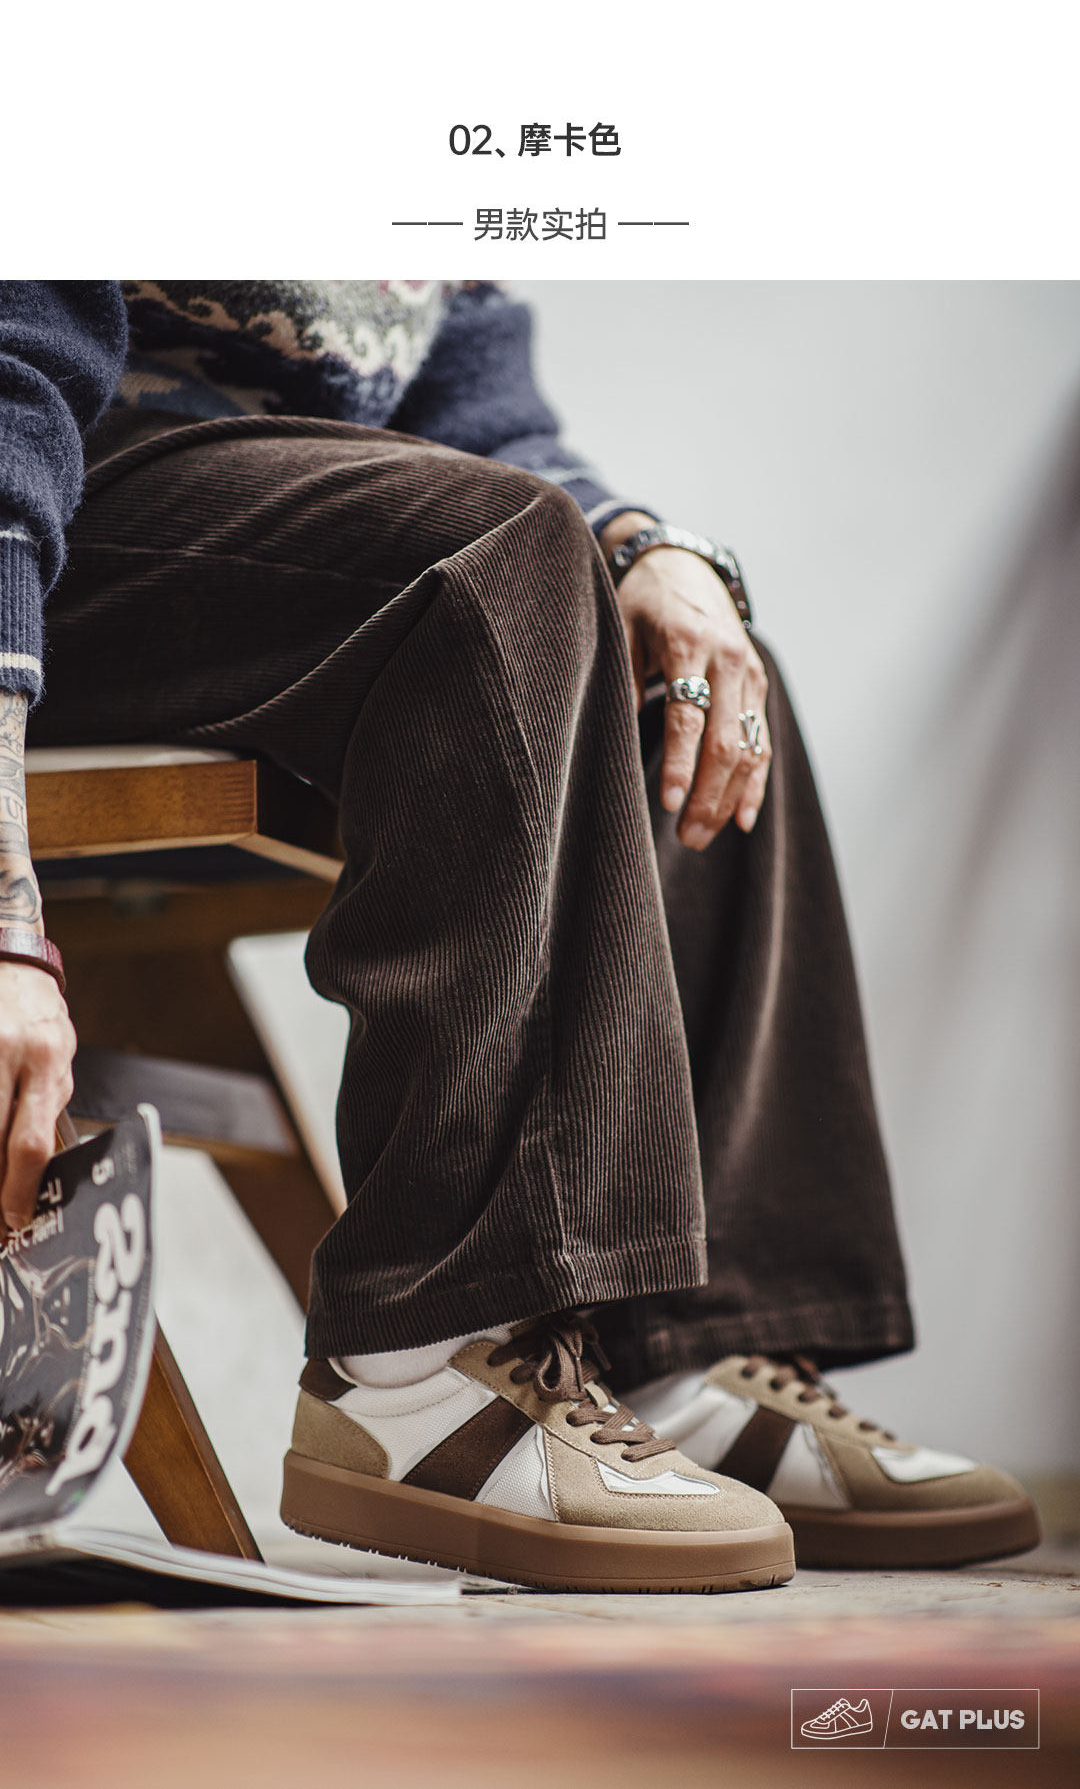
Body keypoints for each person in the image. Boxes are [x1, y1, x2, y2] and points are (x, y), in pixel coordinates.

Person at [0, 280, 1039, 1591]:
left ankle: (672, 1353)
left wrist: (647, 545)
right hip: (54, 527)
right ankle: (422, 1367)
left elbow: (482, 413)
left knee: (692, 660)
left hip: (259, 546)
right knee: (499, 557)